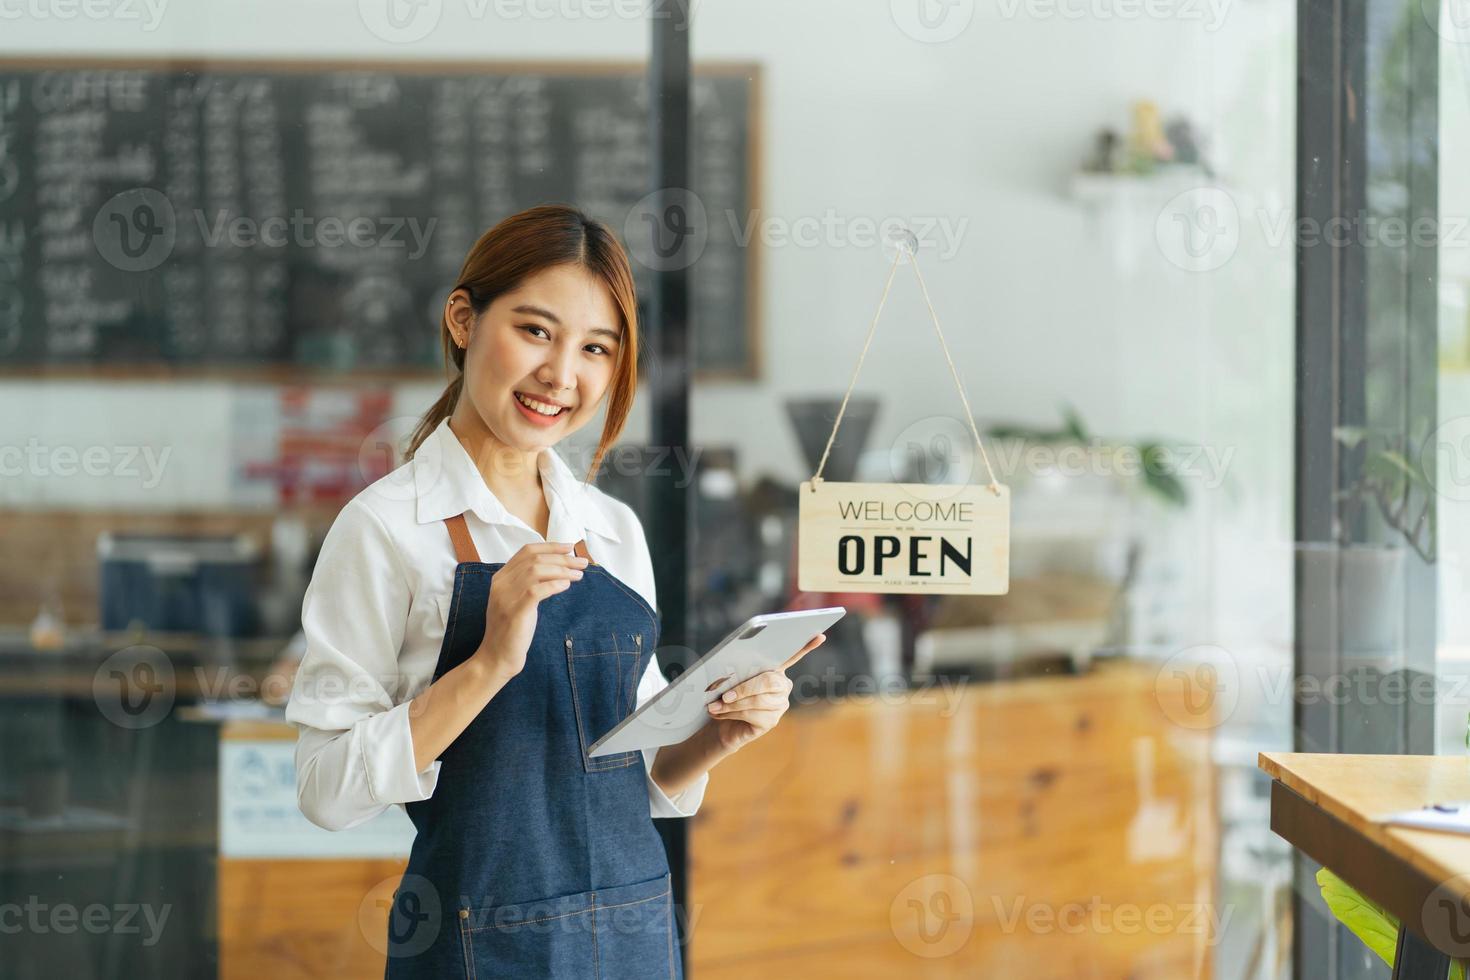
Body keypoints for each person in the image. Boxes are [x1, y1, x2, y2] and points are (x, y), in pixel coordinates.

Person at [284, 204, 825, 978]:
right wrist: (488, 662)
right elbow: (325, 792)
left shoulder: (611, 530)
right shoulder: (385, 529)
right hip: (475, 945)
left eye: (596, 348)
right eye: (536, 331)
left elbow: (632, 774)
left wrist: (717, 736)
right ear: (464, 320)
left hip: (634, 934)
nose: (561, 376)